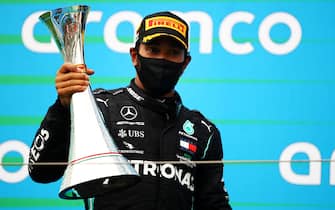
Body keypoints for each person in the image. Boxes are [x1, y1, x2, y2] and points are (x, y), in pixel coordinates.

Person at [28, 11, 232, 210]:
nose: (162, 59)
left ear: (185, 63)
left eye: (173, 52)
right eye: (153, 50)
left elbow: (214, 203)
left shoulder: (203, 130)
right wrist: (63, 107)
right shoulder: (99, 107)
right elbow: (41, 172)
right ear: (135, 56)